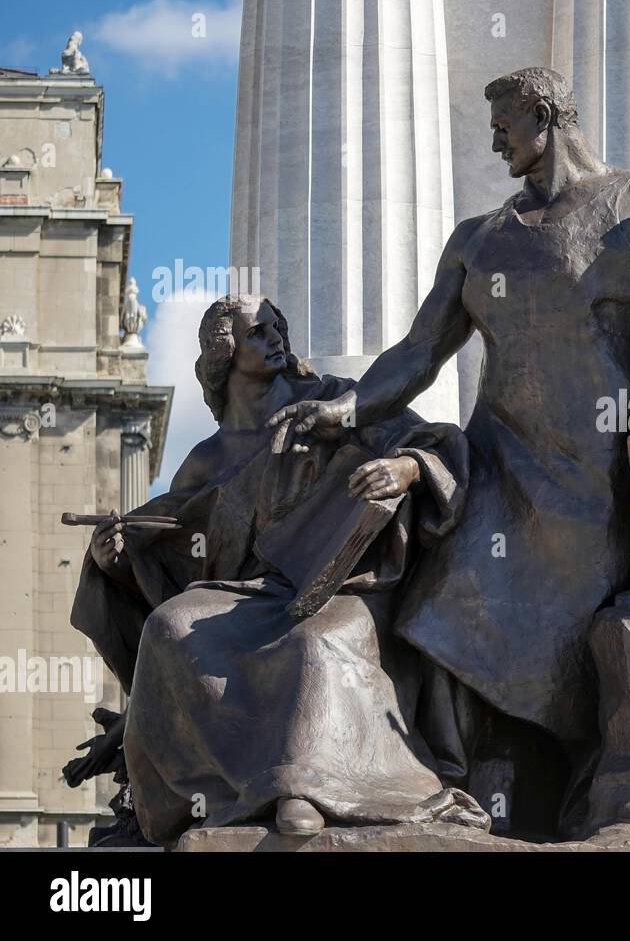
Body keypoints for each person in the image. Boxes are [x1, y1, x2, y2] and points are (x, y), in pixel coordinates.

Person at [267, 68, 630, 834]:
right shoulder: (479, 238)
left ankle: (547, 786)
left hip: (604, 475)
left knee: (565, 634)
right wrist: (346, 406)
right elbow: (417, 355)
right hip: (500, 466)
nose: (495, 142)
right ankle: (451, 784)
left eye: (504, 126)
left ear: (545, 112)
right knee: (443, 601)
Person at [70, 295, 489, 844]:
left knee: (313, 644)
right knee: (170, 628)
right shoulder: (208, 458)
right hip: (248, 594)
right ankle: (205, 800)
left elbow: (436, 444)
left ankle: (308, 791)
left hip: (347, 583)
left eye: (276, 328)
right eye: (258, 332)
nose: (275, 338)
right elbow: (176, 552)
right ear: (225, 354)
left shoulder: (334, 400)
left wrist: (405, 469)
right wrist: (118, 561)